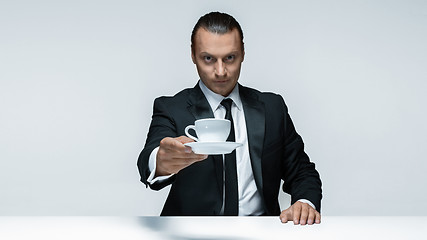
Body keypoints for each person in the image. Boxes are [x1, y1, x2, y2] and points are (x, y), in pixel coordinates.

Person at [138, 11, 322, 225]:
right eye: (208, 59)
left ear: (243, 53)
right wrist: (161, 162)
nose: (220, 71)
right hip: (191, 233)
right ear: (192, 54)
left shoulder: (272, 108)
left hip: (261, 232)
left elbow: (301, 170)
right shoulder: (171, 108)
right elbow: (148, 159)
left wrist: (304, 202)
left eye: (230, 58)